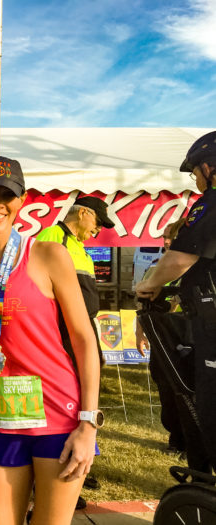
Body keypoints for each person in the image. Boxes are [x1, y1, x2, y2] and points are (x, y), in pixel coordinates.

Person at [0, 156, 101, 525]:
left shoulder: (47, 254)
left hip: (59, 418)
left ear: (22, 200)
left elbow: (85, 340)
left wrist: (88, 424)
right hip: (2, 420)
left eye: (8, 194)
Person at [136, 130, 216, 472]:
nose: (195, 179)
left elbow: (181, 257)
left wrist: (150, 284)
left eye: (195, 171)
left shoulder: (211, 201)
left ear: (210, 167)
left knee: (209, 406)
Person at [35, 195, 114, 504]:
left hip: (84, 334)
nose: (98, 231)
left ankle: (79, 463)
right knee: (63, 407)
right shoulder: (50, 237)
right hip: (62, 340)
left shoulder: (80, 246)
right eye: (97, 222)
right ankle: (56, 476)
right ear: (83, 213)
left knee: (85, 402)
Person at [134, 219, 187, 457]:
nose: (165, 241)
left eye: (170, 237)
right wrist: (139, 333)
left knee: (188, 391)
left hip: (187, 340)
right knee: (166, 390)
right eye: (164, 237)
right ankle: (175, 438)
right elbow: (142, 305)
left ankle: (193, 441)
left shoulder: (195, 269)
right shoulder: (153, 268)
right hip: (160, 340)